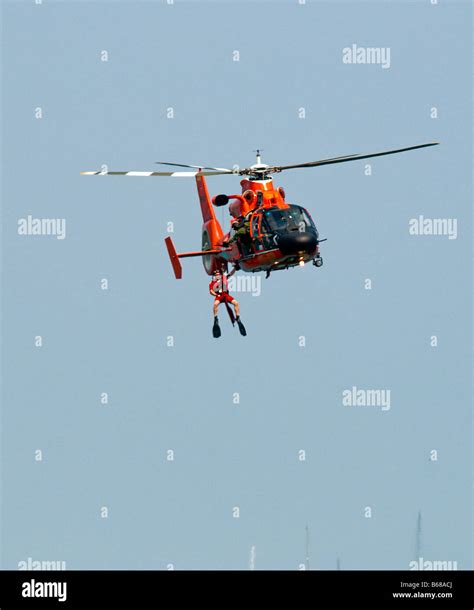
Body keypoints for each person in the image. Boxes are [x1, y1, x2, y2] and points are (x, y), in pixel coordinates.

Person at [209, 267, 247, 338]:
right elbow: (211, 291)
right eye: (216, 275)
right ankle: (216, 318)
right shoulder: (212, 283)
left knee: (236, 303)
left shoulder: (224, 279)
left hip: (226, 295)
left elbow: (230, 274)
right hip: (219, 296)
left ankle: (238, 317)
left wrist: (235, 268)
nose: (217, 276)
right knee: (215, 304)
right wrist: (216, 294)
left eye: (218, 274)